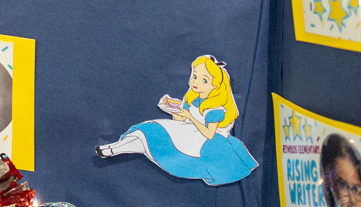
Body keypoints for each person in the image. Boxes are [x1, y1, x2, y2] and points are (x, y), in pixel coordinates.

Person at [96, 55, 259, 186]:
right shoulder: (194, 99)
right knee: (146, 131)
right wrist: (173, 109)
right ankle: (113, 148)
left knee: (150, 136)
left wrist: (189, 118)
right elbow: (182, 119)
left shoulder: (214, 110)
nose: (195, 82)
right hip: (188, 131)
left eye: (204, 80)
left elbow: (209, 134)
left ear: (215, 86)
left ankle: (113, 149)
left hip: (203, 142)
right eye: (195, 76)